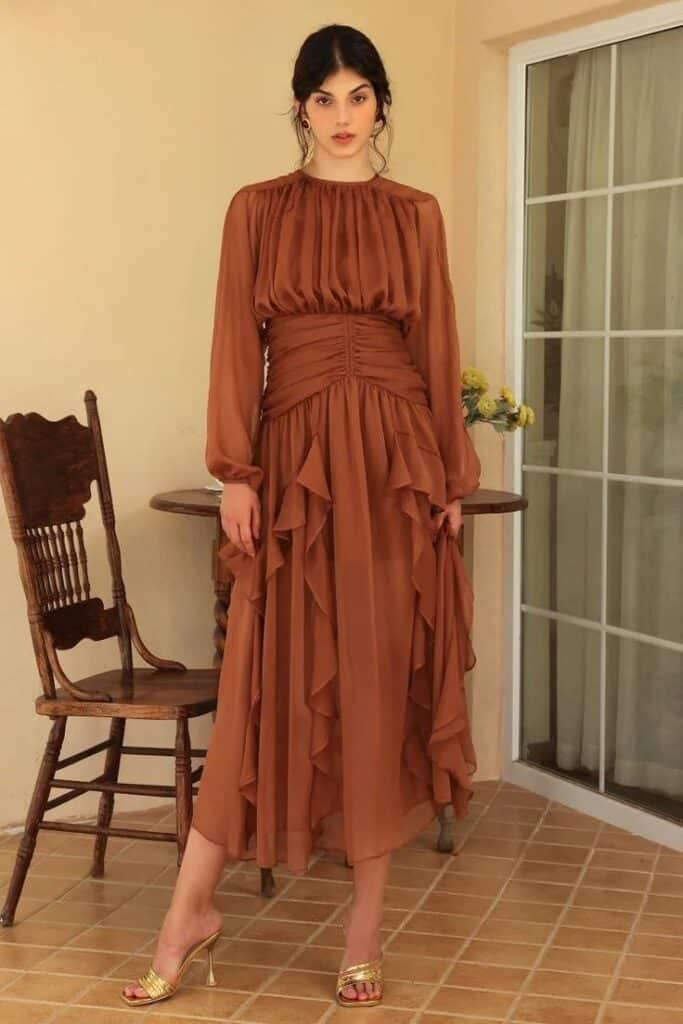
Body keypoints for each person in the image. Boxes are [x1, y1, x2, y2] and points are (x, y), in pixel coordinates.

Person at [122, 21, 480, 1011]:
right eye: (322, 98)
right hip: (293, 467)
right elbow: (237, 338)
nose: (340, 115)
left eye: (357, 95)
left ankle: (363, 930)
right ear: (297, 108)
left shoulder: (416, 214)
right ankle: (187, 912)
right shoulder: (257, 210)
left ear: (380, 107)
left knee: (373, 688)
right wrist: (233, 469)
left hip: (394, 463)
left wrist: (447, 472)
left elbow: (437, 343)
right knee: (258, 687)